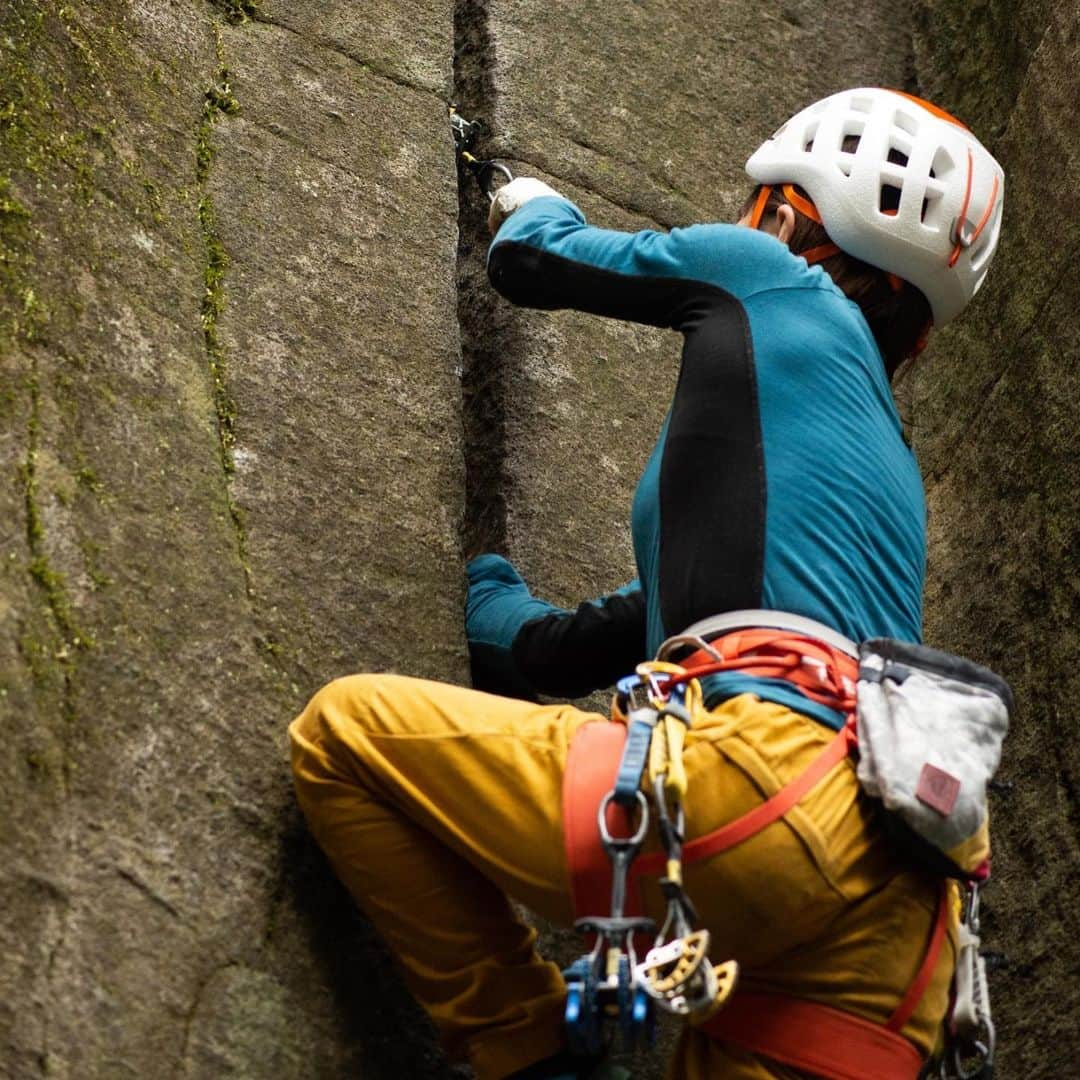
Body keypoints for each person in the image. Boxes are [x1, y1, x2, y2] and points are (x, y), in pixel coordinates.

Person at [289, 88, 1005, 1079]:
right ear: (917, 337)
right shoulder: (883, 479)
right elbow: (584, 643)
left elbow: (538, 257)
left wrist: (522, 196)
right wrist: (498, 613)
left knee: (345, 738)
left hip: (764, 793)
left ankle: (532, 1053)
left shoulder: (769, 276)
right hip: (905, 922)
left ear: (791, 220)